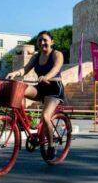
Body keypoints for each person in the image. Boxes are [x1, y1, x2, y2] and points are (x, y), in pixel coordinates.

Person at [6, 31, 64, 160]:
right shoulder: (36, 57)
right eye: (39, 41)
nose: (42, 43)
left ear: (51, 42)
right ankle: (19, 120)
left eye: (45, 40)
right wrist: (15, 73)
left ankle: (51, 146)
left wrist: (47, 76)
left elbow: (56, 68)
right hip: (41, 88)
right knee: (19, 89)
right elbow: (25, 69)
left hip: (54, 89)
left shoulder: (57, 54)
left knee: (45, 116)